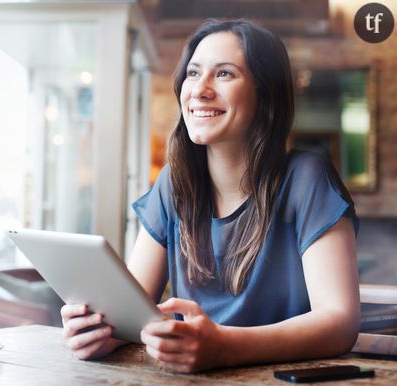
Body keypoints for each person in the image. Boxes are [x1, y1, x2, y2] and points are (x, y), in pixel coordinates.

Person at [61, 18, 360, 373]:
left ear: (266, 93)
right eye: (192, 73)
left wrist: (224, 347)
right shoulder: (174, 184)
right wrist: (103, 330)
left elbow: (340, 322)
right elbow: (132, 308)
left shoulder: (306, 178)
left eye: (224, 74)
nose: (199, 90)